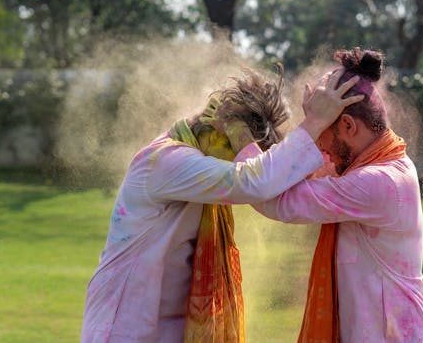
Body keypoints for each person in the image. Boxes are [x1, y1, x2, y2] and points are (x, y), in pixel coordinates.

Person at [80, 66, 364, 342]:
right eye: (235, 148)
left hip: (167, 326)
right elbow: (252, 181)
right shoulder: (166, 161)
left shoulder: (190, 163)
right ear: (218, 131)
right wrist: (313, 123)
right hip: (124, 325)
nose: (237, 159)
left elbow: (267, 178)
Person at [242, 48, 423, 342]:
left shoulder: (378, 183)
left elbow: (274, 199)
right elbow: (288, 174)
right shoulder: (369, 164)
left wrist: (237, 142)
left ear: (347, 126)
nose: (319, 147)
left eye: (321, 132)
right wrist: (314, 123)